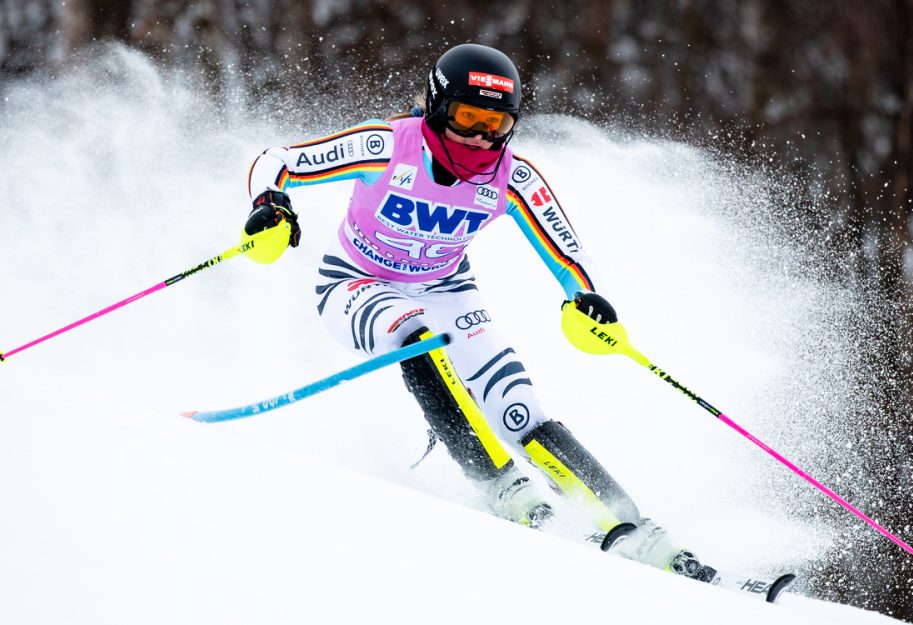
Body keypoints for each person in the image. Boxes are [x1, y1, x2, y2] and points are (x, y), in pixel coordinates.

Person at [243, 43, 711, 582]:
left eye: (496, 123)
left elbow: (567, 252)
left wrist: (586, 299)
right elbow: (276, 161)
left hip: (447, 288)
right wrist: (270, 204)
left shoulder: (513, 177)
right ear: (440, 108)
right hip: (356, 282)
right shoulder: (385, 145)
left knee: (517, 407)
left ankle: (631, 528)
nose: (481, 137)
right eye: (468, 118)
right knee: (414, 333)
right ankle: (503, 486)